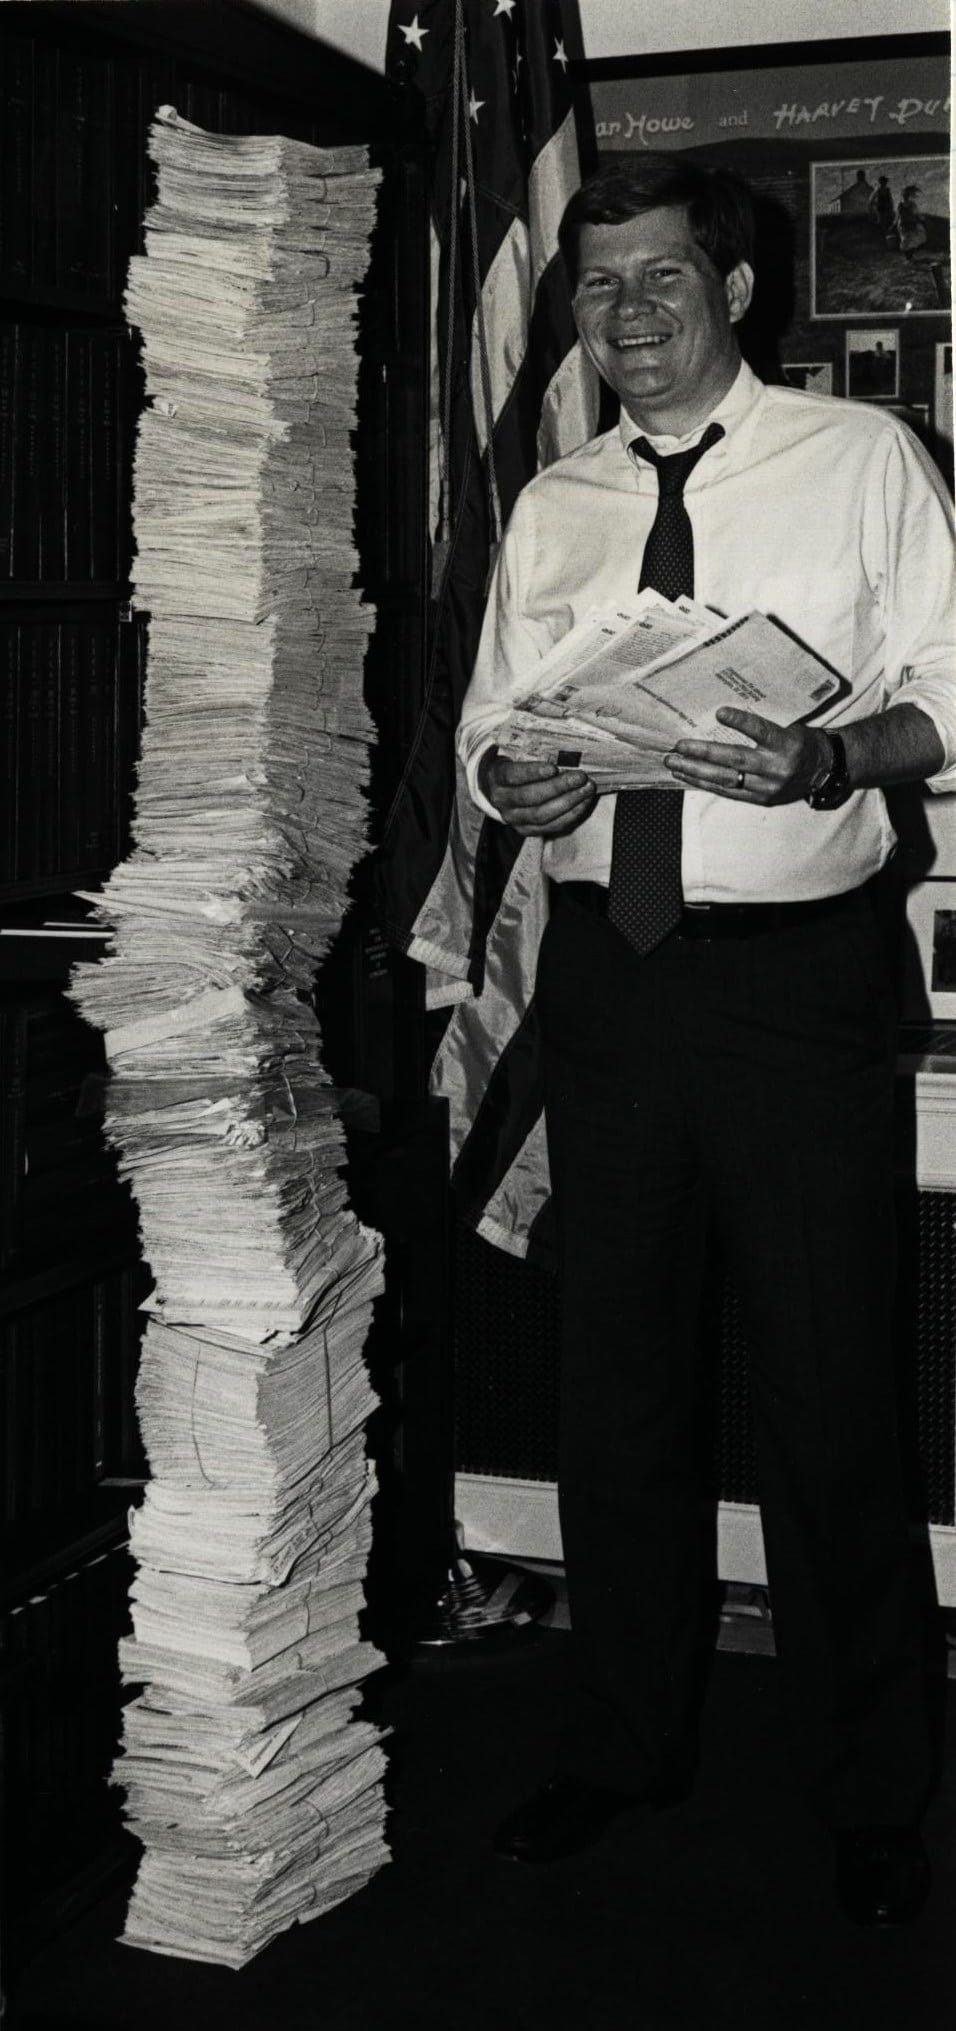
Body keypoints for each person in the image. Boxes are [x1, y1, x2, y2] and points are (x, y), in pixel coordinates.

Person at [456, 155, 956, 1924]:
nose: (628, 316)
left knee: (831, 1394)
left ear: (737, 291)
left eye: (663, 279)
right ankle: (621, 1740)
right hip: (612, 975)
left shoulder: (864, 463)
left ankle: (873, 1783)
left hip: (792, 981)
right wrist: (510, 776)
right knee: (621, 1388)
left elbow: (950, 701)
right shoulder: (557, 504)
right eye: (598, 288)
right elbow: (490, 741)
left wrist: (831, 759)